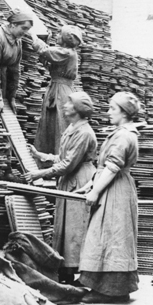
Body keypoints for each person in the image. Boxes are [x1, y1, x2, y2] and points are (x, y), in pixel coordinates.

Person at [25, 91, 98, 285]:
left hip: (80, 181)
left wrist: (39, 174)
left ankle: (82, 275)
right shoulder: (72, 128)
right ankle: (66, 272)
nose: (64, 106)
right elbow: (62, 157)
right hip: (69, 180)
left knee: (76, 228)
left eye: (68, 104)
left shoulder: (84, 133)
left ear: (77, 109)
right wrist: (41, 156)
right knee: (65, 227)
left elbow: (68, 164)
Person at [77, 91, 140, 303]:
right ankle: (100, 285)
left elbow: (113, 167)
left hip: (116, 191)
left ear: (124, 113)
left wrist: (95, 191)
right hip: (112, 187)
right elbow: (104, 167)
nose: (108, 112)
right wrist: (89, 185)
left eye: (112, 109)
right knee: (103, 235)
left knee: (113, 237)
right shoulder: (120, 132)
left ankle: (112, 291)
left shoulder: (124, 136)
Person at [32, 25, 83, 155]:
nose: (57, 36)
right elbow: (49, 60)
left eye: (60, 34)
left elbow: (46, 52)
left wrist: (33, 35)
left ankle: (60, 161)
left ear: (66, 39)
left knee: (60, 124)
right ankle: (48, 161)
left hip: (61, 92)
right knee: (49, 124)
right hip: (56, 89)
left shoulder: (67, 53)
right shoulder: (64, 53)